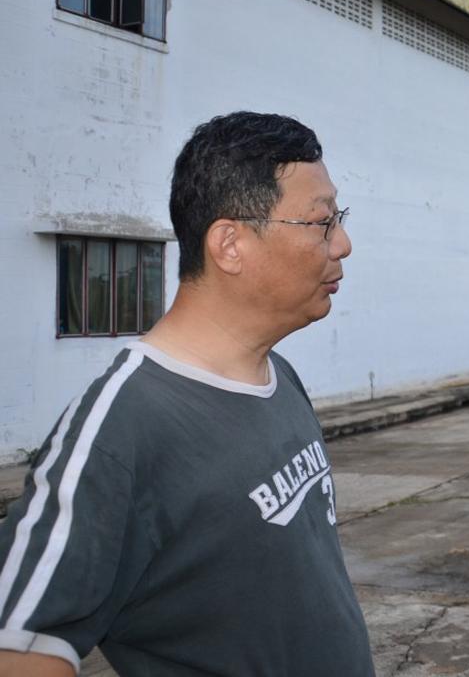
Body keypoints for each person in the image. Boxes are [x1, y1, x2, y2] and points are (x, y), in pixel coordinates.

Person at [0, 113, 374, 676]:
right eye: (322, 222)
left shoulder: (280, 379)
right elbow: (20, 650)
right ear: (229, 244)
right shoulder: (120, 431)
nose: (342, 243)